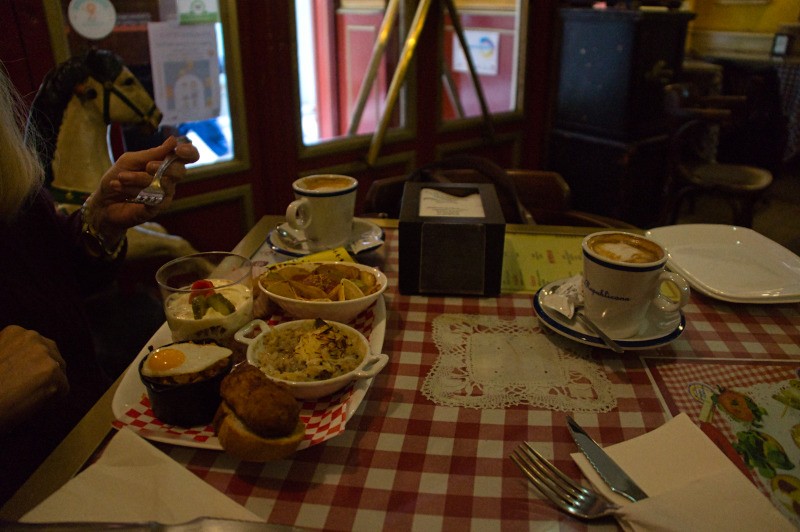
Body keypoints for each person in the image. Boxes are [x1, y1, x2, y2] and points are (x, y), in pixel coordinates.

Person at [0, 65, 199, 505]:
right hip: (24, 490)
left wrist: (99, 221)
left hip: (96, 434)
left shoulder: (11, 183)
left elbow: (55, 274)